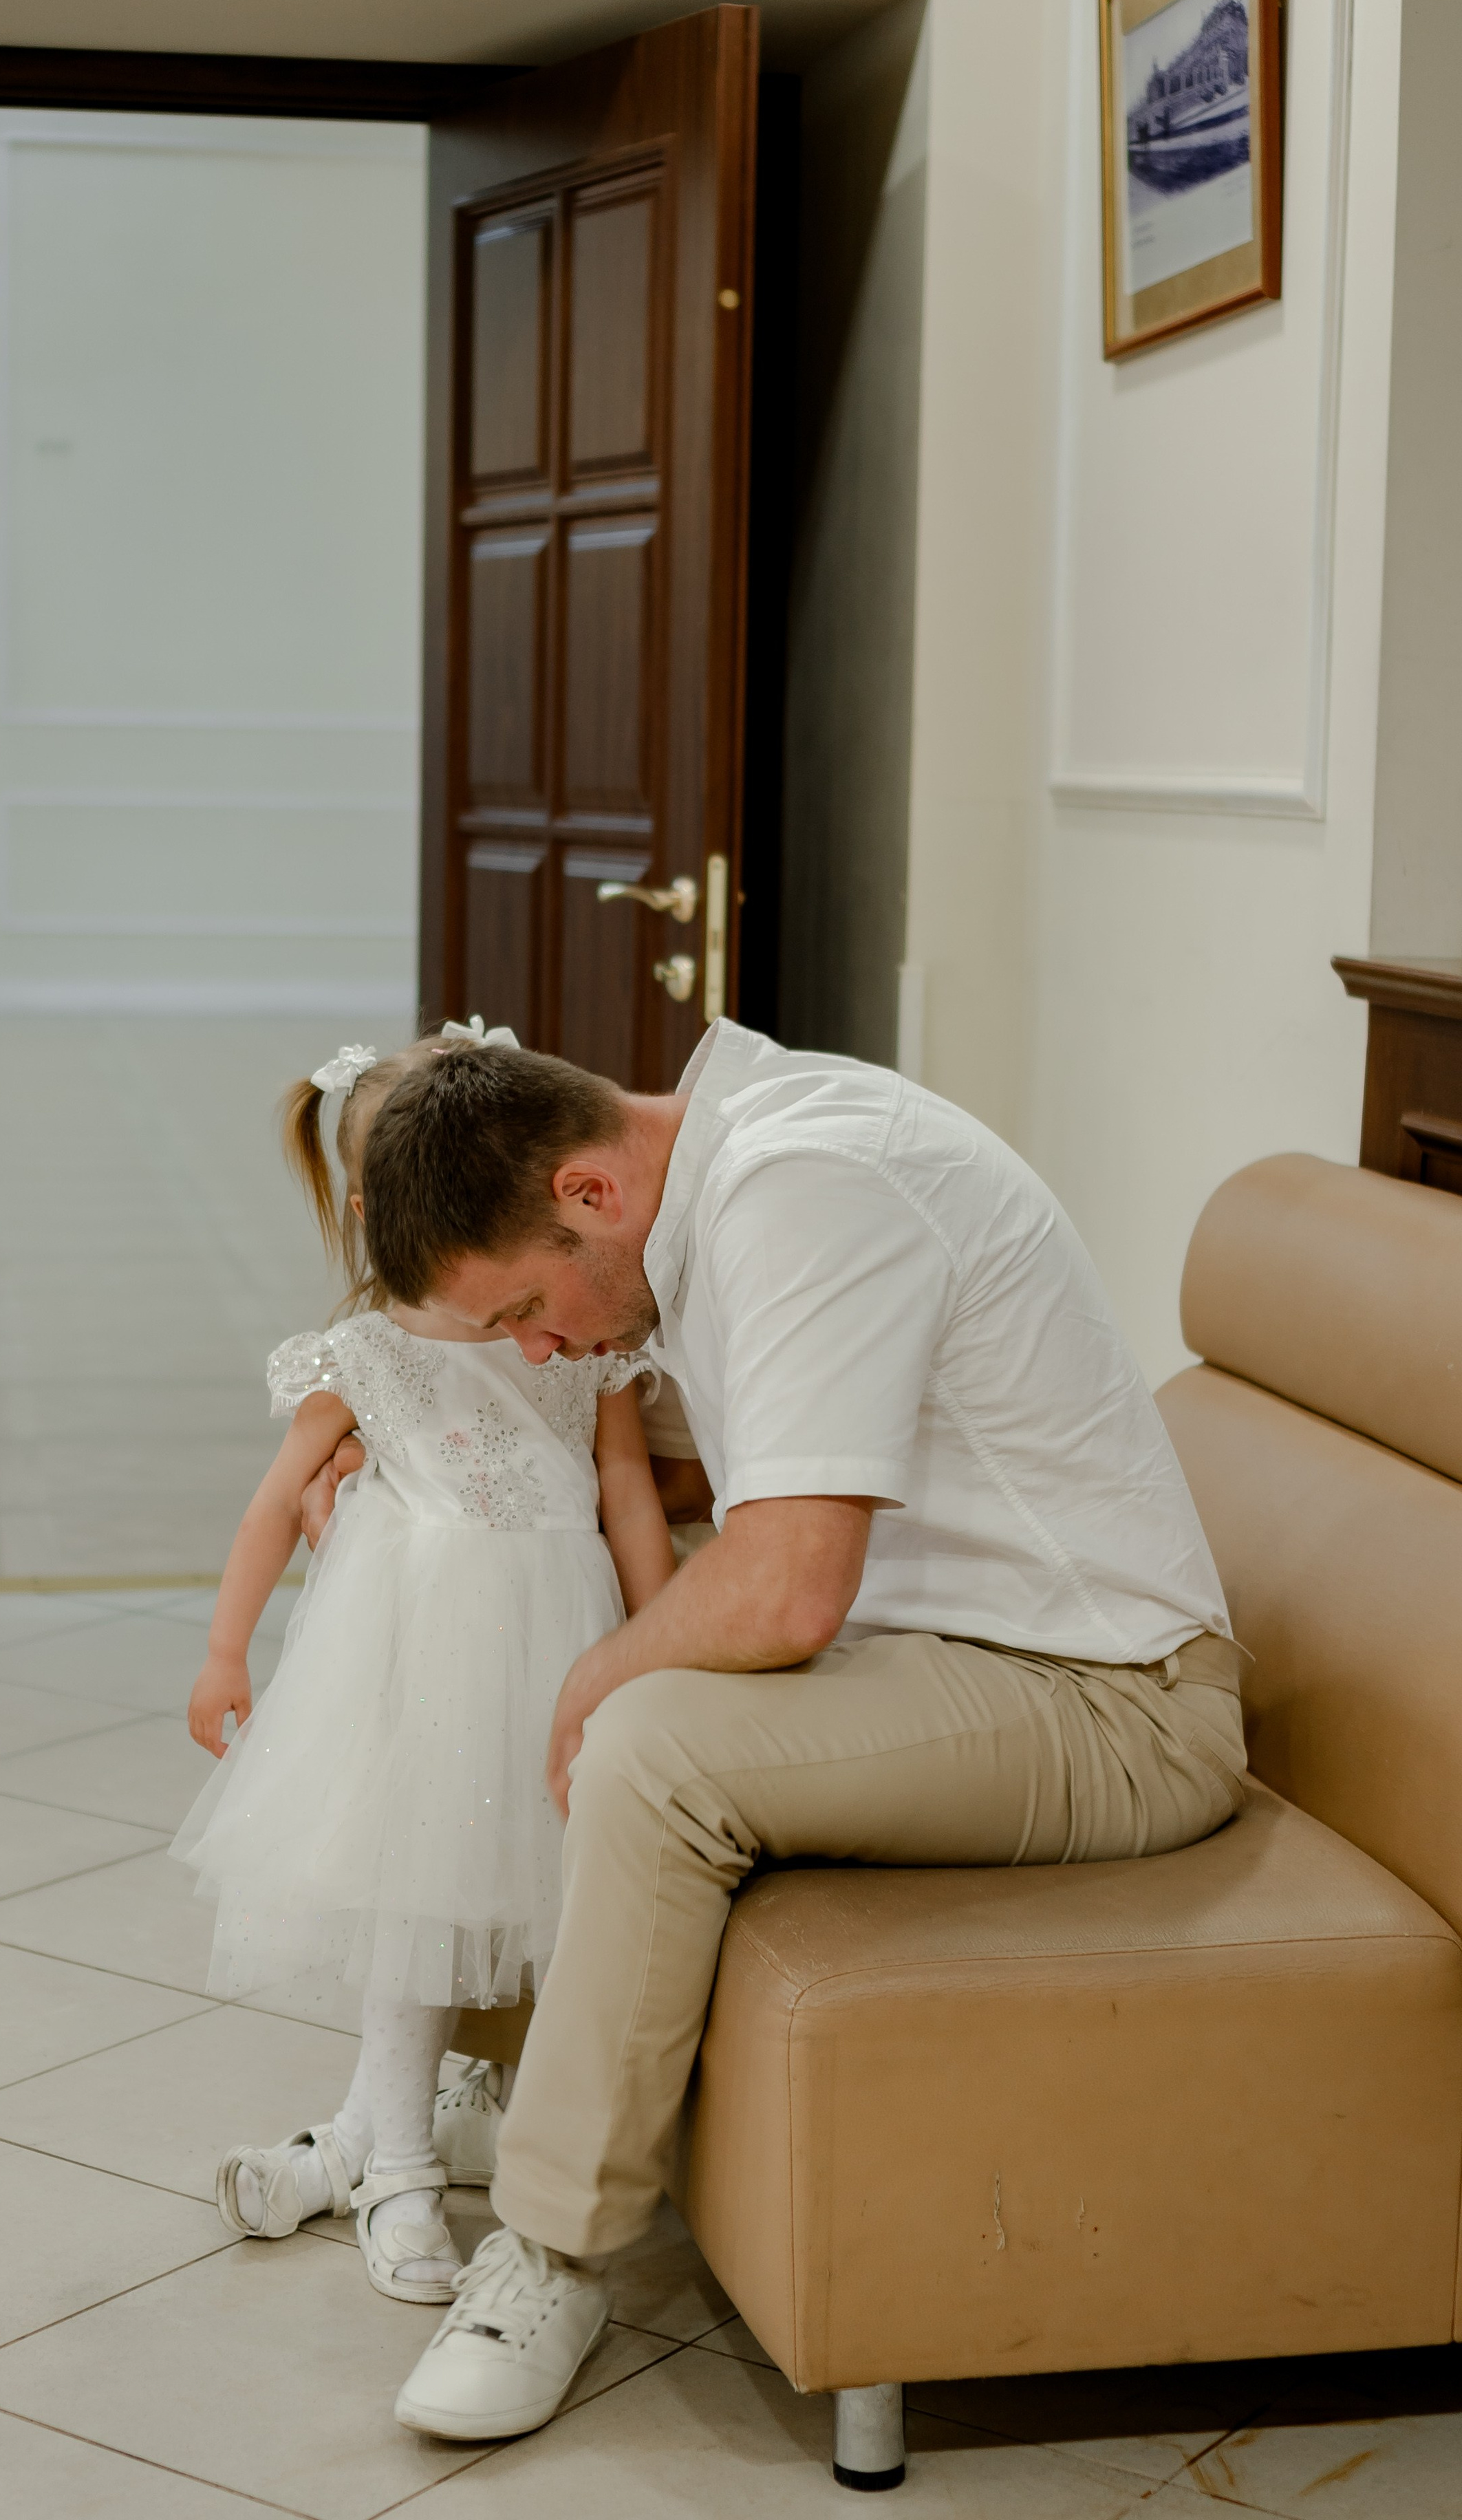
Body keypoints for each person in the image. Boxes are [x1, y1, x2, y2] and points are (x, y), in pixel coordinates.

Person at [351, 1017, 1247, 2441]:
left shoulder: (800, 1186)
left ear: (587, 1193)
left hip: (1113, 1704)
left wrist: (597, 1681)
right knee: (557, 1646)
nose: (540, 1346)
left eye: (524, 1308)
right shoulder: (731, 1174)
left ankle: (549, 2253)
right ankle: (511, 2087)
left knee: (641, 1742)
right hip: (962, 1658)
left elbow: (782, 1596)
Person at [172, 1029, 673, 2305]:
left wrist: (661, 1642)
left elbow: (624, 1491)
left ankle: (397, 2144)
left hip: (559, 1642)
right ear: (377, 1217)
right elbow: (274, 1505)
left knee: (558, 1914)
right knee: (419, 1914)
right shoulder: (364, 1358)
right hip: (420, 1657)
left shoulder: (576, 1332)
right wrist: (226, 1650)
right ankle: (394, 2165)